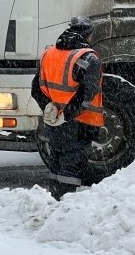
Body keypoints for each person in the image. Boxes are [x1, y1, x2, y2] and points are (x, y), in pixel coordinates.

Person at [31, 16, 103, 199]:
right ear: (88, 35)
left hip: (54, 121)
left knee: (56, 159)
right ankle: (65, 204)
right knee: (71, 163)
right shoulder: (88, 59)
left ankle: (55, 199)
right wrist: (68, 114)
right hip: (79, 121)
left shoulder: (49, 54)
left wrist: (48, 107)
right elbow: (87, 94)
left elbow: (36, 87)